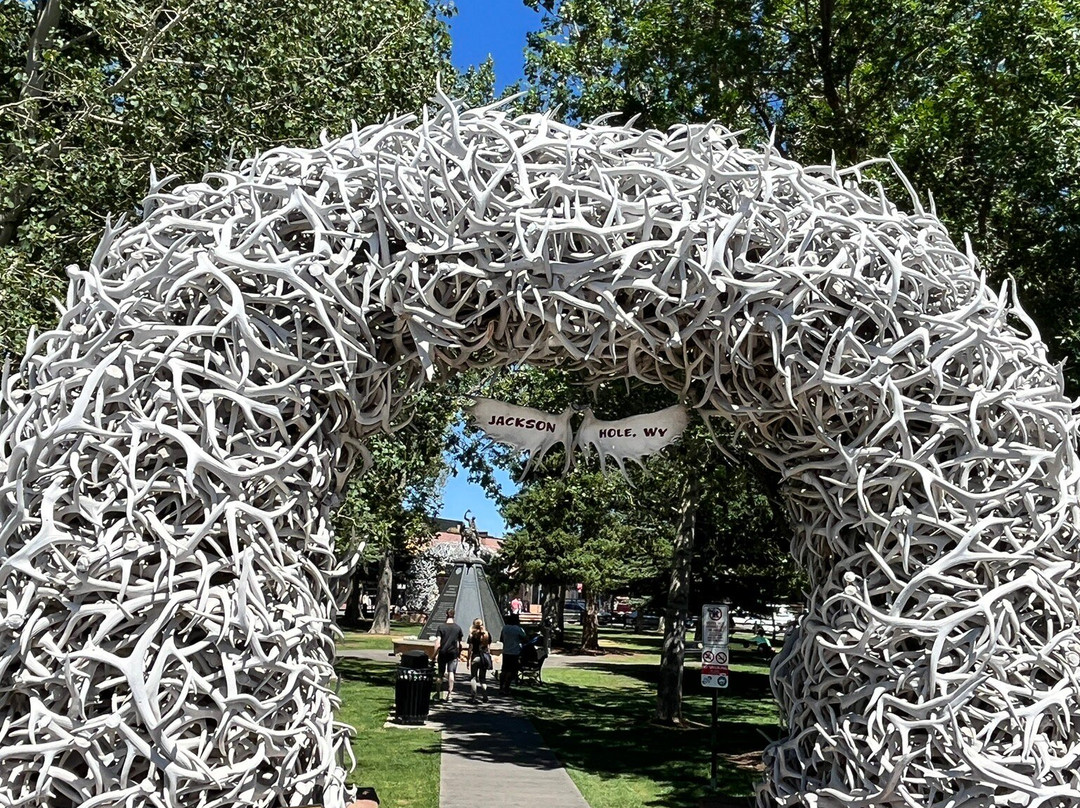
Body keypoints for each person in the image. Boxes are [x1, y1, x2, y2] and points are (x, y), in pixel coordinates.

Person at [435, 608, 464, 703]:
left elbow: (438, 643)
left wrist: (434, 654)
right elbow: (459, 644)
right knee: (451, 672)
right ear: (454, 615)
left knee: (440, 673)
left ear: (446, 614)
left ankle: (438, 693)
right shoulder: (457, 628)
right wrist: (459, 654)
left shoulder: (441, 627)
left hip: (443, 652)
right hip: (453, 653)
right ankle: (450, 694)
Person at [498, 613, 527, 695]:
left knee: (504, 670)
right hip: (515, 652)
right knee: (512, 671)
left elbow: (501, 639)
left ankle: (501, 687)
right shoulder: (518, 629)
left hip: (506, 651)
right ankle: (506, 687)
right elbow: (525, 639)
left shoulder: (505, 628)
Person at [466, 618, 492, 704]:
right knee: (482, 678)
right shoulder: (487, 634)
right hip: (484, 658)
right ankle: (485, 696)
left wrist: (468, 660)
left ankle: (473, 697)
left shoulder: (472, 635)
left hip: (475, 657)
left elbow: (470, 648)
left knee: (473, 677)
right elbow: (488, 648)